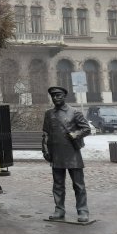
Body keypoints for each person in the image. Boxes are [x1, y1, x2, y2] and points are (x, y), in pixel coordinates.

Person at [42, 86, 92, 223]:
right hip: (56, 153)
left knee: (78, 185)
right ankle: (59, 209)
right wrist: (45, 150)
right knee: (58, 184)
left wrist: (75, 134)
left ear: (64, 96)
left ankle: (82, 210)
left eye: (58, 95)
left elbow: (86, 129)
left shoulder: (74, 112)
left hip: (72, 153)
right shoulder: (49, 114)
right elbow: (45, 134)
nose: (56, 98)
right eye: (53, 96)